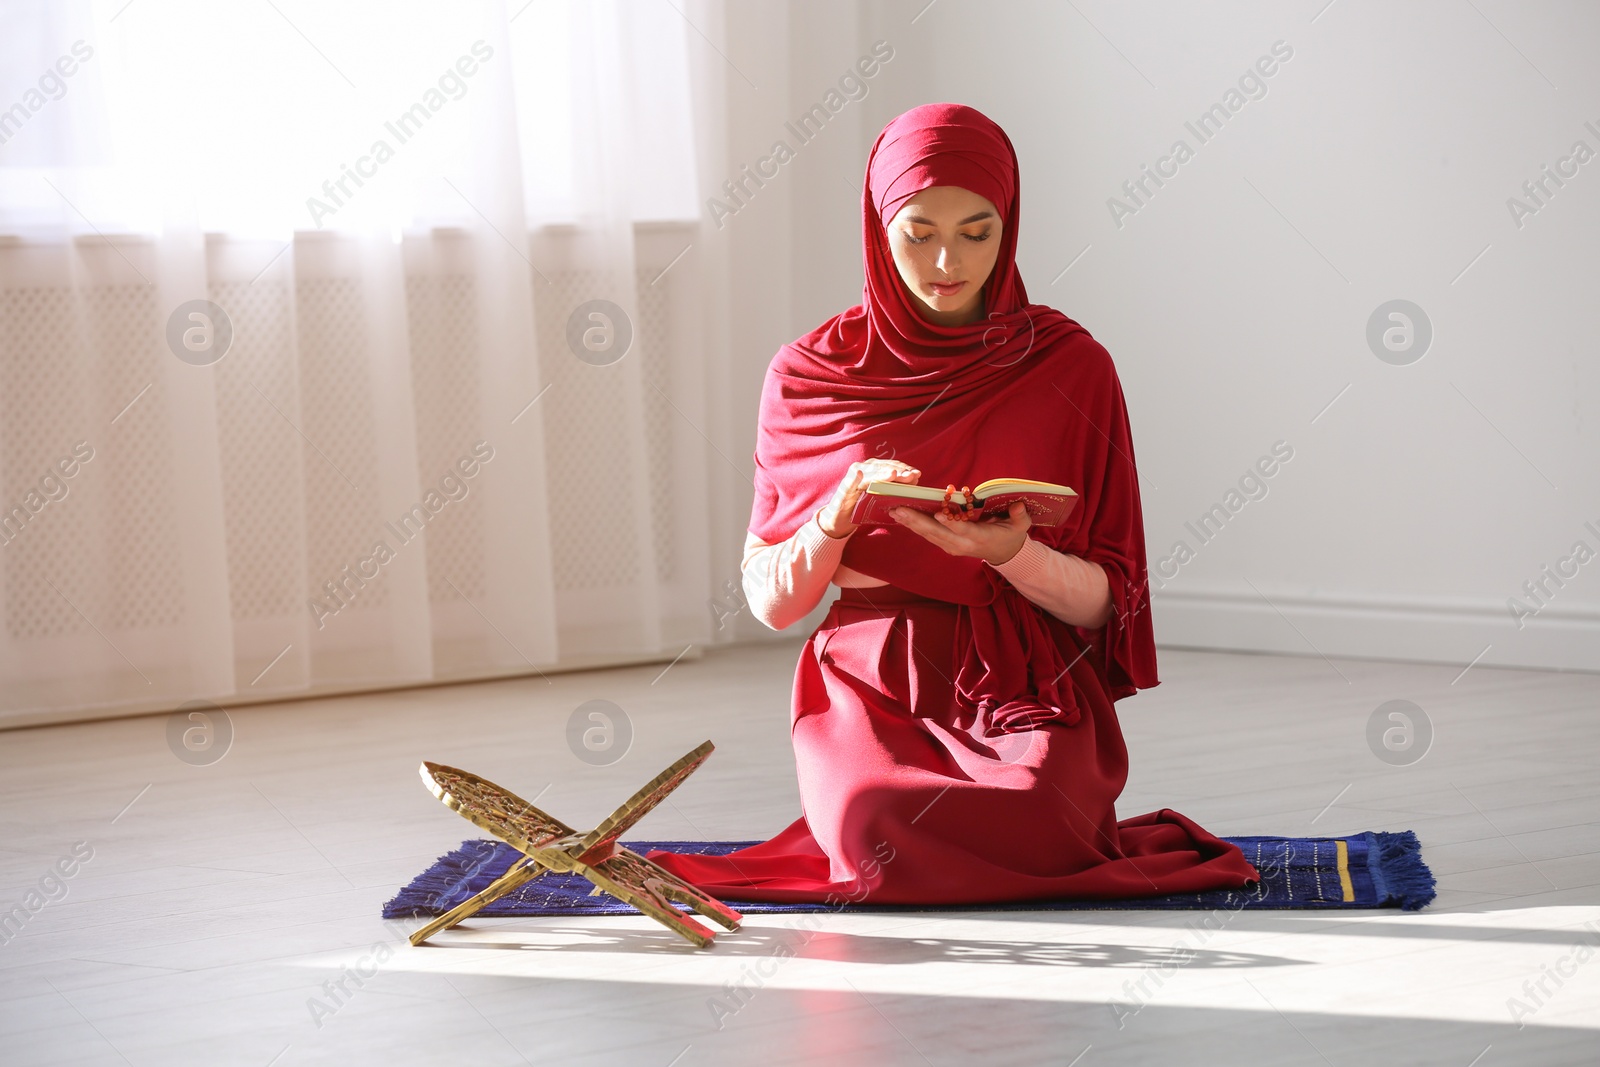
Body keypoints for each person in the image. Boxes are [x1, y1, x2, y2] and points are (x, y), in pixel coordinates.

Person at [646, 102, 1259, 905]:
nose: (947, 260)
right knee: (875, 820)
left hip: (1024, 672)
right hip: (869, 675)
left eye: (977, 231)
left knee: (1046, 814)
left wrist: (1010, 553)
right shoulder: (806, 374)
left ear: (1009, 226)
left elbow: (1111, 599)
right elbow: (771, 601)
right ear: (876, 225)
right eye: (918, 231)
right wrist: (838, 510)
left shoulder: (1074, 367)